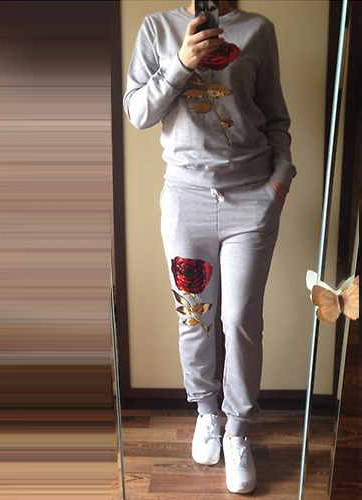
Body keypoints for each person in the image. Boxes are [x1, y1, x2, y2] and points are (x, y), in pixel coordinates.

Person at [123, 0, 296, 494]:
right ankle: (206, 413)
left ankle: (238, 429)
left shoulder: (258, 30)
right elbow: (138, 112)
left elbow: (275, 116)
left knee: (240, 319)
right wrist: (181, 63)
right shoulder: (157, 29)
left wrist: (280, 182)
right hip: (186, 200)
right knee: (194, 315)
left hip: (252, 198)